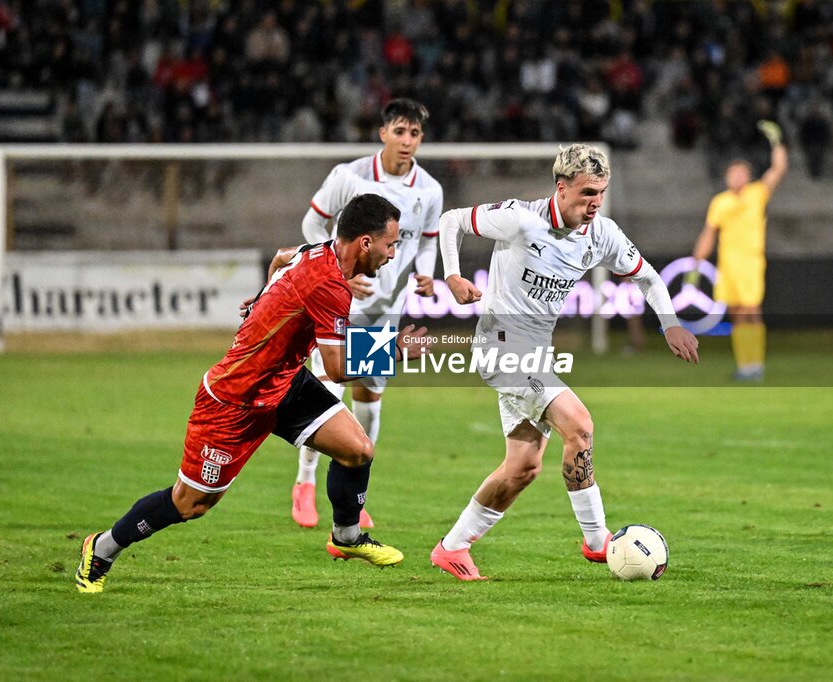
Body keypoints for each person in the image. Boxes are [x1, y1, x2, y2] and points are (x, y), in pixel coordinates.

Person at [75, 194, 429, 593]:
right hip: (234, 400)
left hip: (285, 383)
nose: (392, 253)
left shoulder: (319, 251)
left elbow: (281, 257)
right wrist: (394, 350)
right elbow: (335, 367)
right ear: (365, 242)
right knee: (189, 504)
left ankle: (346, 537)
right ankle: (101, 548)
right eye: (390, 244)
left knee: (358, 449)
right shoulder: (329, 284)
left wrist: (263, 300)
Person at [430, 144, 700, 581]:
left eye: (602, 192)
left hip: (536, 353)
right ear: (561, 187)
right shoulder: (521, 218)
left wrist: (670, 324)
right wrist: (452, 275)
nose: (595, 202)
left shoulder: (602, 233)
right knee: (580, 424)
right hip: (501, 347)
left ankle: (452, 547)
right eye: (588, 192)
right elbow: (451, 220)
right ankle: (599, 544)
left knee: (523, 468)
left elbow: (648, 276)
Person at [291, 98, 443, 529]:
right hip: (340, 304)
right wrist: (336, 274)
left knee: (369, 402)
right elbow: (311, 225)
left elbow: (427, 241)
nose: (407, 141)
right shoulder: (348, 176)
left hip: (385, 311)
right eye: (400, 131)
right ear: (383, 134)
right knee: (327, 394)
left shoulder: (429, 190)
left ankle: (355, 495)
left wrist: (426, 275)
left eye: (414, 133)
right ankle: (304, 483)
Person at [686, 120, 788, 381]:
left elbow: (778, 168)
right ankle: (745, 366)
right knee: (737, 313)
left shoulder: (757, 193)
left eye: (741, 172)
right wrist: (696, 263)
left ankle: (757, 365)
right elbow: (709, 234)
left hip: (751, 262)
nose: (736, 177)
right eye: (733, 173)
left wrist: (776, 142)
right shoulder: (720, 202)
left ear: (748, 175)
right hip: (728, 263)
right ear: (726, 177)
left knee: (752, 310)